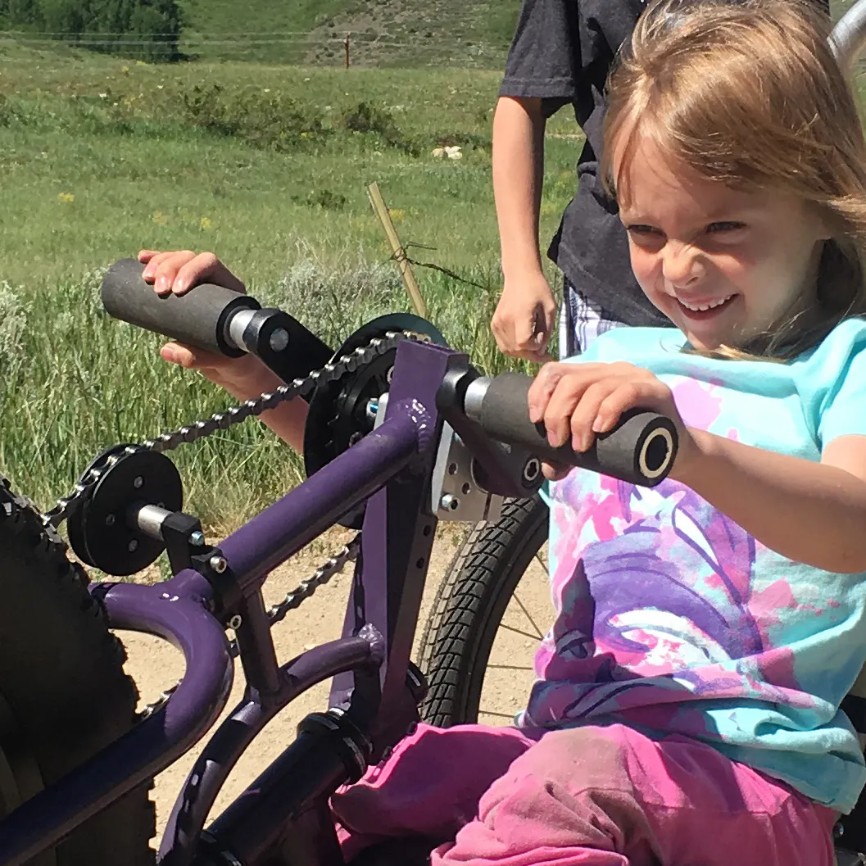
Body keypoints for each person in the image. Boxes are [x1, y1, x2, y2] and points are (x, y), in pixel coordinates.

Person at [142, 1, 866, 862]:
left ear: (825, 205)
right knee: (362, 790)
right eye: (645, 229)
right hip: (573, 751)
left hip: (752, 780)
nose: (678, 264)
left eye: (724, 228)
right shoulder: (620, 359)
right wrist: (258, 376)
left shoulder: (839, 367)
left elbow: (852, 522)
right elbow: (419, 480)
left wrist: (694, 450)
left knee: (557, 791)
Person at [490, 0, 829, 362]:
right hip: (618, 295)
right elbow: (524, 98)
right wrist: (520, 270)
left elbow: (812, 101)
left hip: (777, 301)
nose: (679, 268)